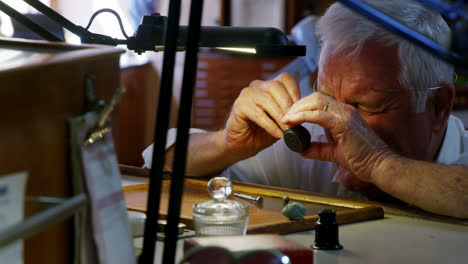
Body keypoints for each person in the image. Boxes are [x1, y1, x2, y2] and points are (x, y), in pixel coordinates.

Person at [143, 0, 468, 218]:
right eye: (327, 98)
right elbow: (159, 160)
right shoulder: (315, 143)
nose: (339, 122)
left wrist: (378, 164)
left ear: (438, 106)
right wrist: (224, 145)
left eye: (363, 106)